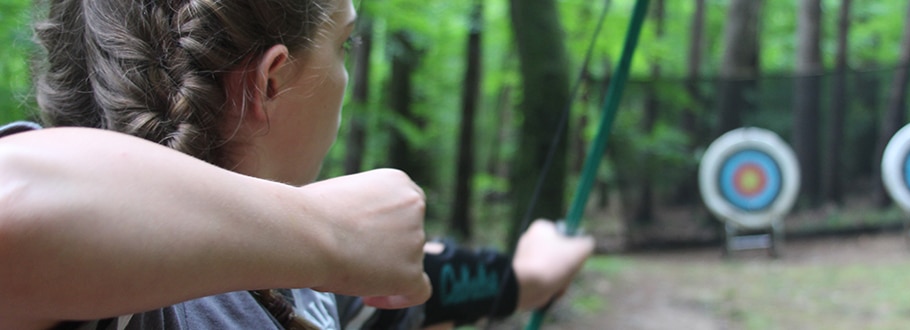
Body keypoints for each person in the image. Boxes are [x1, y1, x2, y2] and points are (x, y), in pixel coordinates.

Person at [0, 0, 594, 329]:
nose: (347, 72)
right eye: (345, 44)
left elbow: (433, 281)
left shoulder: (302, 280)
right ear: (272, 80)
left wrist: (528, 276)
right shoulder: (131, 306)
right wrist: (326, 232)